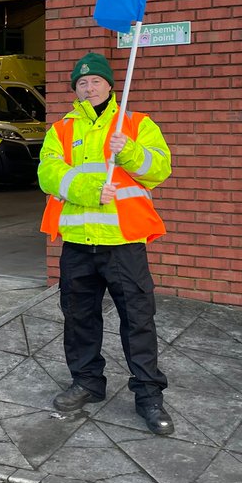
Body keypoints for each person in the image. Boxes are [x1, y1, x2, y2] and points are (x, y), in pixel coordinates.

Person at [38, 52, 174, 435]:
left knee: (138, 321)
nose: (88, 86)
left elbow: (160, 169)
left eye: (95, 80)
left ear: (111, 85)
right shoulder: (61, 129)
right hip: (79, 243)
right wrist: (91, 190)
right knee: (79, 318)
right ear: (75, 90)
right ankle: (87, 382)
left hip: (123, 243)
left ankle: (148, 395)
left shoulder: (135, 123)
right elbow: (49, 174)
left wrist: (128, 150)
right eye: (81, 83)